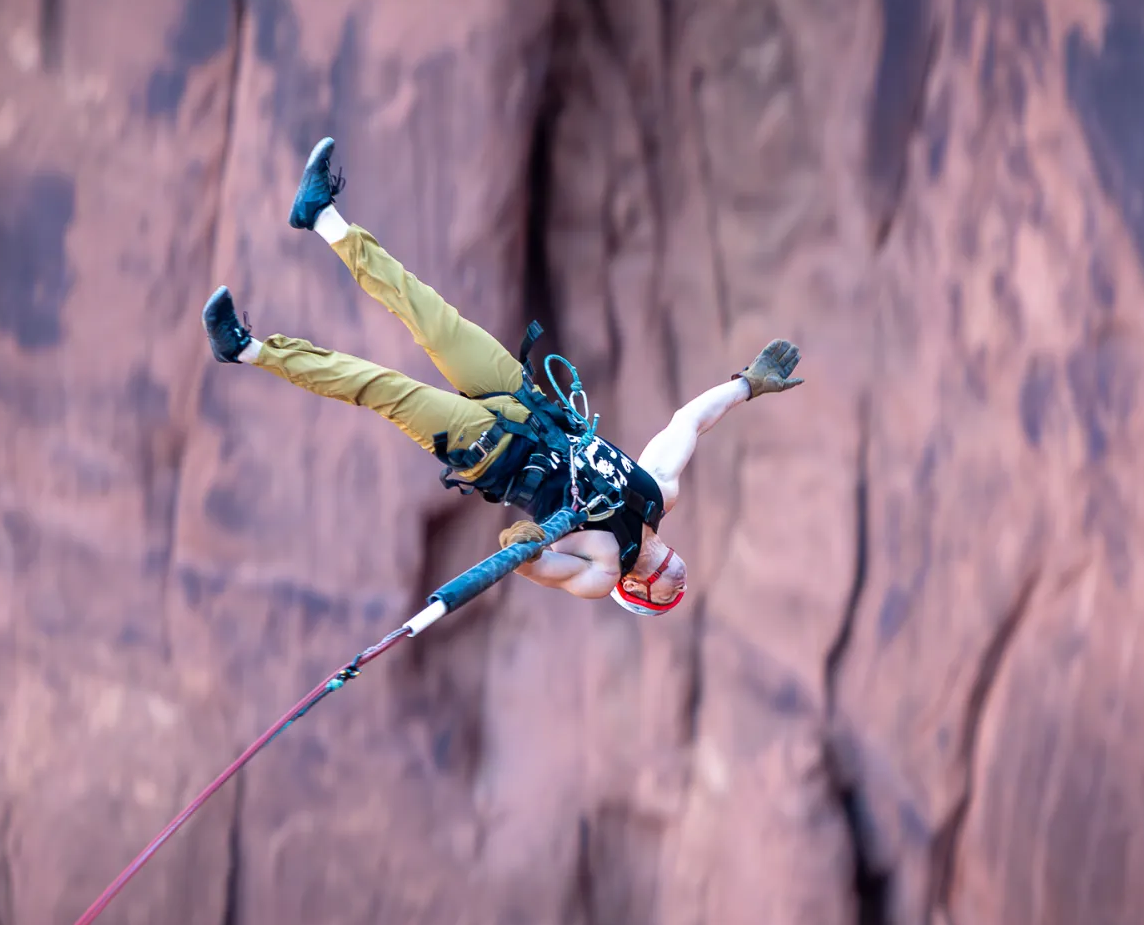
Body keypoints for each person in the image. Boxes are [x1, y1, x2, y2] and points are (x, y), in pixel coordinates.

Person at [202, 137, 803, 615]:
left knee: (380, 386)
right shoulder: (656, 493)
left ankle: (249, 349)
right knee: (428, 313)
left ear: (638, 591)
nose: (677, 581)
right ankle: (322, 216)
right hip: (527, 402)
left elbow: (541, 567)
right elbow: (688, 423)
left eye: (667, 594)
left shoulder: (603, 570)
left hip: (496, 451)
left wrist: (523, 547)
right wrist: (748, 383)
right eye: (679, 587)